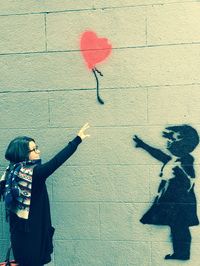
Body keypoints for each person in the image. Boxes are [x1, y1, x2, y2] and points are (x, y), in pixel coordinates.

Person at [0, 123, 90, 266]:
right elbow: (56, 161)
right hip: (33, 236)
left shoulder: (10, 172)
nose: (38, 151)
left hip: (19, 234)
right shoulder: (33, 173)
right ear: (23, 153)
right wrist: (77, 140)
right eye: (34, 149)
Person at [133, 125, 199, 260]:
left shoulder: (186, 159)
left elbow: (190, 179)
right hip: (173, 201)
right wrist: (142, 145)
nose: (169, 142)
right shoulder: (172, 159)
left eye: (173, 139)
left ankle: (182, 253)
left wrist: (179, 172)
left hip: (181, 202)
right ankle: (180, 253)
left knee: (180, 228)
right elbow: (158, 153)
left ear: (183, 144)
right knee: (177, 227)